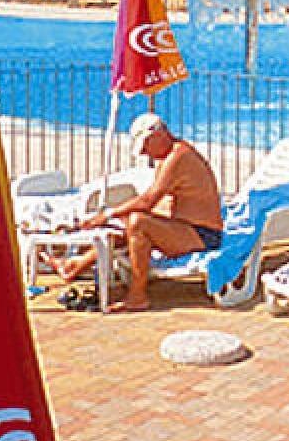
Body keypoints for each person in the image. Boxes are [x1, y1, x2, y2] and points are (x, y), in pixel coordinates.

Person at [56, 112, 224, 313]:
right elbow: (157, 203)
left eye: (145, 147)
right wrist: (118, 218)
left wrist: (107, 214)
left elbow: (147, 201)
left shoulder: (179, 156)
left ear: (158, 135)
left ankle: (138, 297)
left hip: (202, 235)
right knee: (129, 223)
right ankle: (74, 266)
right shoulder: (168, 157)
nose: (146, 154)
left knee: (137, 222)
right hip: (185, 228)